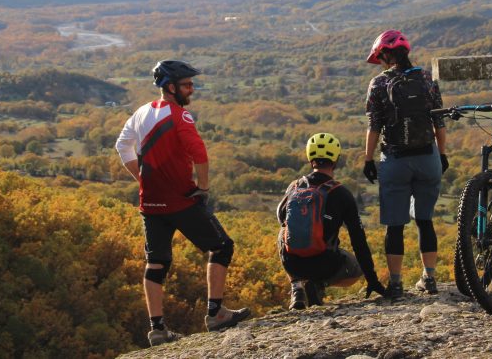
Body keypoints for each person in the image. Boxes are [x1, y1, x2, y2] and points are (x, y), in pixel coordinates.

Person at [115, 60, 250, 347]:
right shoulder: (179, 116)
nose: (192, 89)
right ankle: (215, 314)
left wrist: (141, 179)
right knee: (222, 246)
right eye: (187, 85)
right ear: (171, 87)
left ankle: (158, 330)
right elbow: (200, 153)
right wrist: (203, 188)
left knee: (157, 262)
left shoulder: (142, 112)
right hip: (182, 200)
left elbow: (122, 146)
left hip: (150, 203)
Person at [362, 30, 448, 298]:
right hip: (427, 157)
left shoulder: (378, 84)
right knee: (425, 220)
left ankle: (396, 284)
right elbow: (439, 122)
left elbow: (374, 126)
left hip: (396, 160)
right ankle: (429, 279)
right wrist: (441, 154)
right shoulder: (427, 80)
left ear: (385, 56)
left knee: (395, 225)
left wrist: (368, 158)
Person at [277, 132, 387, 310]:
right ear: (335, 160)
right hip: (326, 265)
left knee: (284, 229)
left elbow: (281, 218)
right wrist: (372, 279)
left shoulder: (294, 186)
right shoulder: (341, 193)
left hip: (293, 263)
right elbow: (358, 240)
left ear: (309, 157)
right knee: (355, 270)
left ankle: (296, 285)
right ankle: (319, 285)